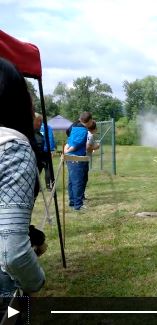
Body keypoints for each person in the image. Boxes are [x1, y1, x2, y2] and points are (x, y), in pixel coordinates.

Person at [0, 57, 46, 297]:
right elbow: (13, 254)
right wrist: (34, 281)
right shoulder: (12, 148)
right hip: (5, 286)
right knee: (17, 312)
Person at [64, 111, 93, 211]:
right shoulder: (83, 130)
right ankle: (78, 205)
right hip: (76, 158)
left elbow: (69, 138)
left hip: (70, 158)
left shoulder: (74, 127)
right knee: (78, 181)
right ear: (89, 121)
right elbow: (76, 144)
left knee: (72, 181)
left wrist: (66, 151)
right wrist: (68, 150)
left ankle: (72, 202)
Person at [34, 113, 56, 190]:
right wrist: (52, 149)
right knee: (47, 169)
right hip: (46, 151)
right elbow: (50, 139)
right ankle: (48, 186)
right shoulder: (48, 127)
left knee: (37, 168)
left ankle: (36, 186)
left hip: (37, 151)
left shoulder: (34, 126)